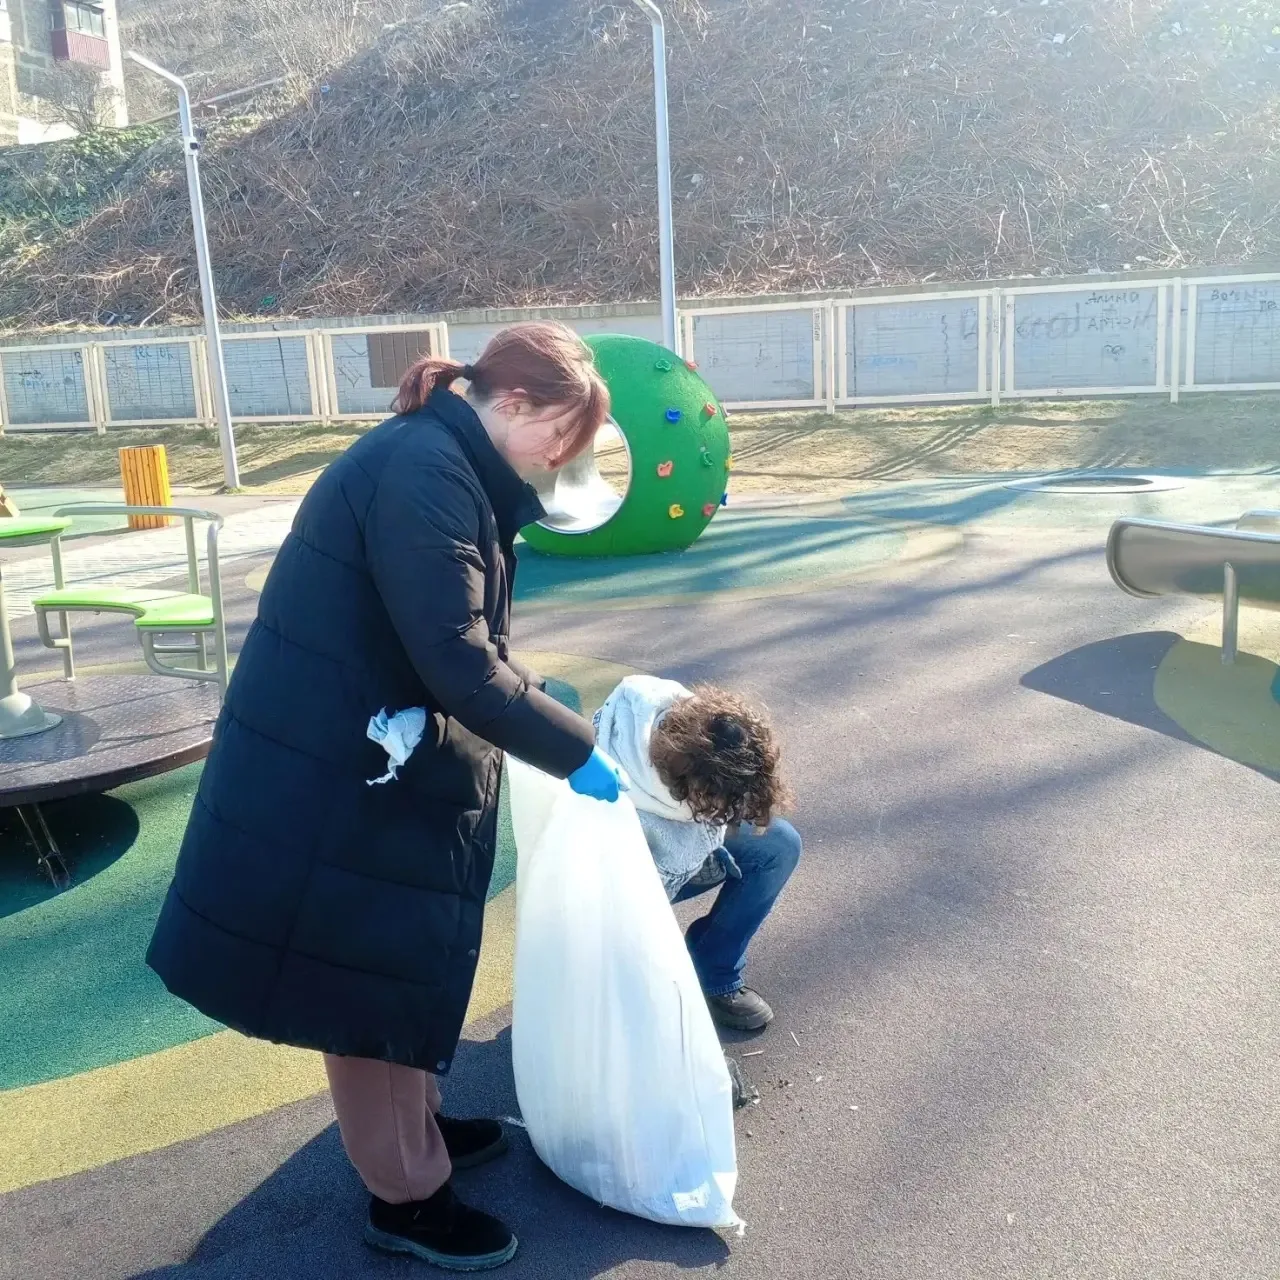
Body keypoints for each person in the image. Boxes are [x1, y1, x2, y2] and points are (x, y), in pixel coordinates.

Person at [146, 322, 627, 1273]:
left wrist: (537, 715)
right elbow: (457, 659)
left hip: (363, 747)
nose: (558, 462)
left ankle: (421, 1133)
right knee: (362, 987)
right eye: (559, 438)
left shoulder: (444, 457)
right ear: (513, 403)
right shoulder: (424, 474)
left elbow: (453, 634)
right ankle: (407, 1196)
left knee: (399, 961)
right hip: (338, 769)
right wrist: (578, 752)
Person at [593, 675, 801, 1033]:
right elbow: (623, 917)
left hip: (678, 846)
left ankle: (714, 971)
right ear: (690, 778)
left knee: (778, 845)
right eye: (717, 801)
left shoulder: (693, 726)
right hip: (610, 891)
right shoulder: (613, 787)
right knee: (636, 1006)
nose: (726, 812)